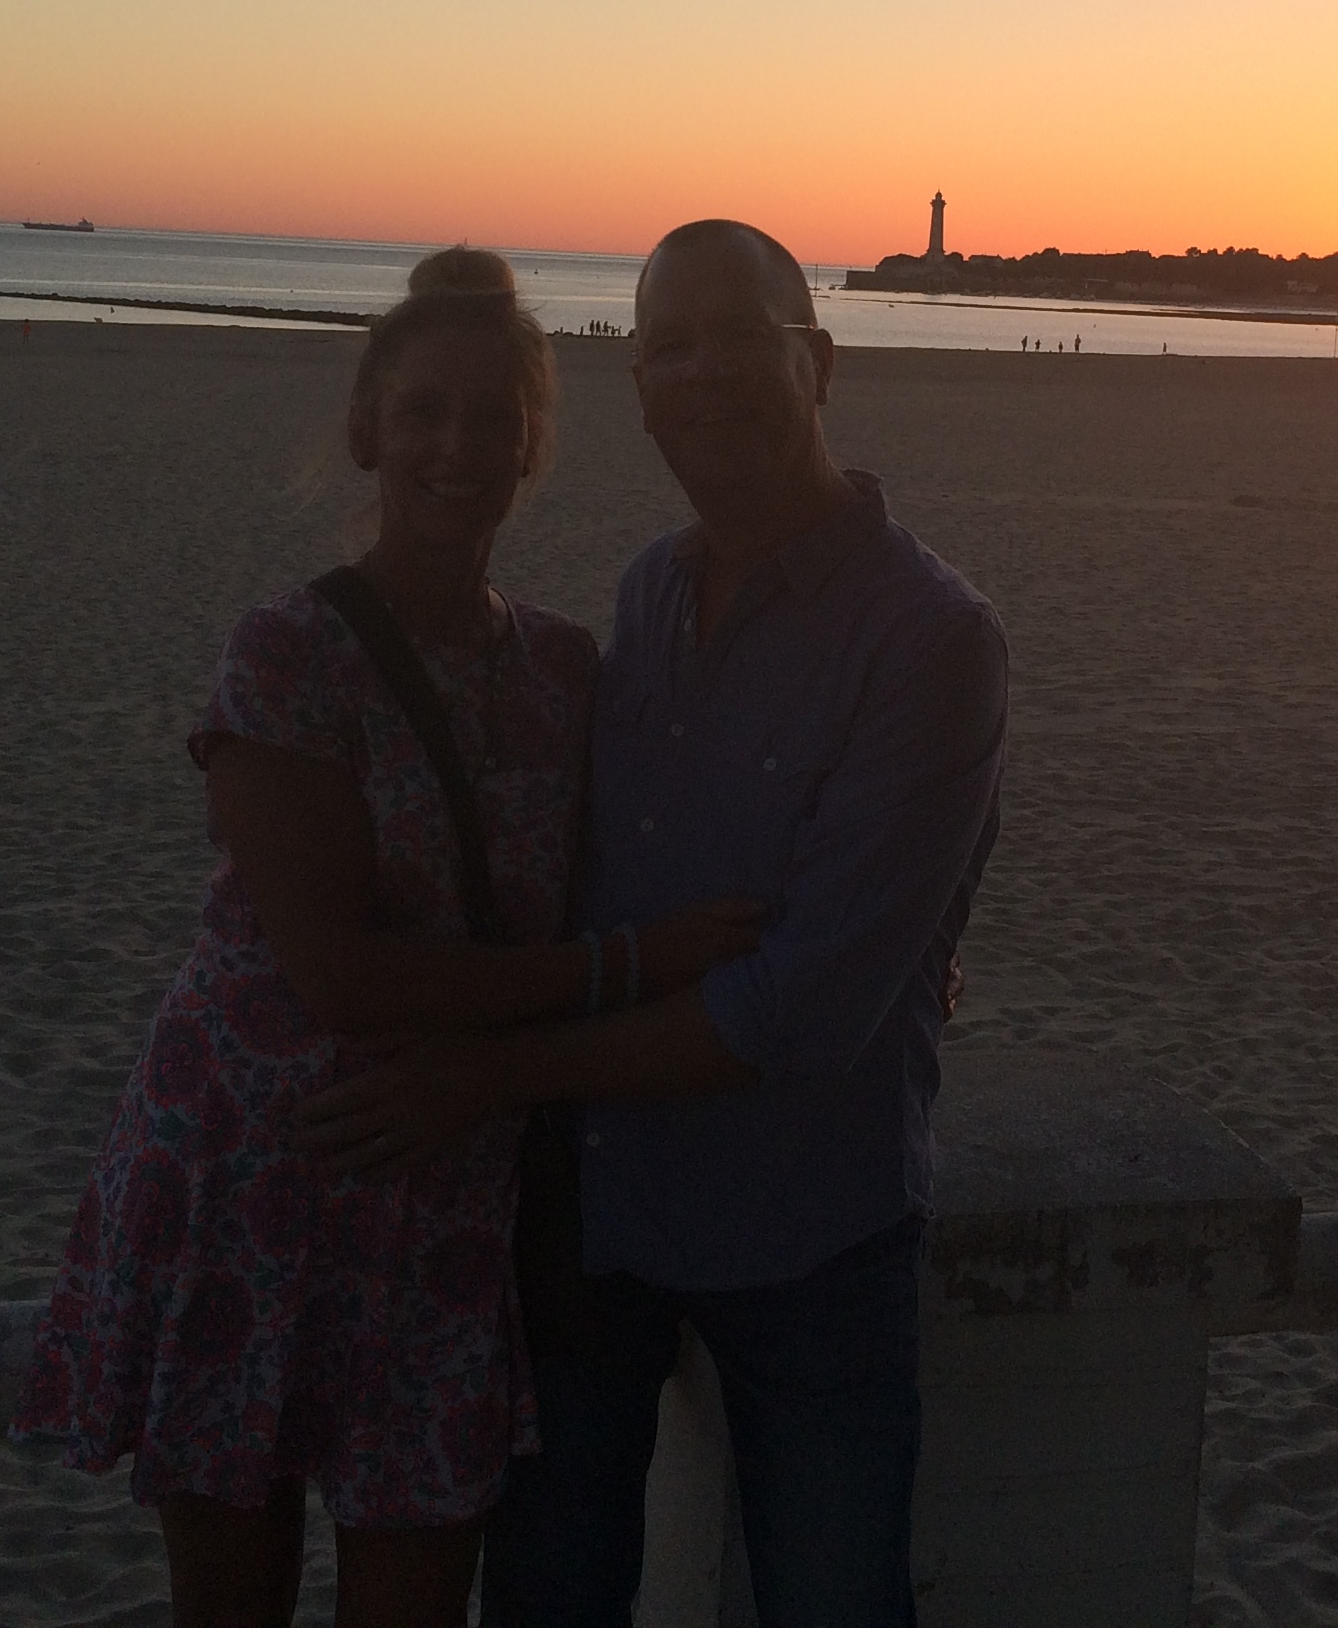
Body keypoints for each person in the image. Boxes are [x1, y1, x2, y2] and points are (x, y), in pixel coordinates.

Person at [16, 247, 766, 1628]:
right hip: (257, 1171)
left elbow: (655, 854)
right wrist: (629, 968)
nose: (456, 447)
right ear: (368, 429)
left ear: (534, 444)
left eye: (493, 417)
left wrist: (883, 937)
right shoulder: (284, 654)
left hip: (449, 1210)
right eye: (424, 412)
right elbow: (339, 973)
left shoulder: (564, 670)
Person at [302, 218, 1008, 1628]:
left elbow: (798, 1012)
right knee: (549, 1594)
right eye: (669, 346)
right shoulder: (648, 592)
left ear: (819, 362)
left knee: (832, 1598)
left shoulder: (930, 638)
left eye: (743, 334)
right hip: (600, 1220)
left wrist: (490, 1076)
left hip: (809, 1234)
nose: (706, 371)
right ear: (637, 393)